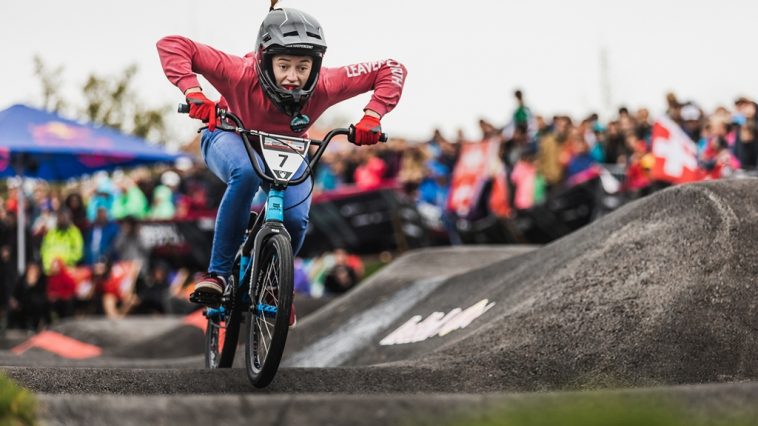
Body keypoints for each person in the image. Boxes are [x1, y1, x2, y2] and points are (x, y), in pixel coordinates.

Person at [156, 1, 406, 326]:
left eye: (303, 67)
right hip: (229, 134)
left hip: (287, 149)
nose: (293, 77)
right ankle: (216, 275)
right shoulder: (240, 72)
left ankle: (274, 286)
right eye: (284, 65)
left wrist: (373, 115)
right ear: (266, 60)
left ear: (315, 66)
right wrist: (195, 93)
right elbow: (173, 44)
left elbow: (391, 67)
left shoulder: (327, 83)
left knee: (296, 220)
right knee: (244, 173)